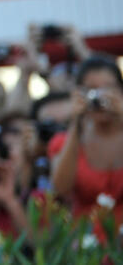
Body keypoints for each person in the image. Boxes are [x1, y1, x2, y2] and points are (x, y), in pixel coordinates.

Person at [49, 54, 123, 220]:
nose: (100, 97)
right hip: (86, 232)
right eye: (92, 90)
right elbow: (61, 189)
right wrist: (76, 122)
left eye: (108, 88)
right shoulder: (64, 141)